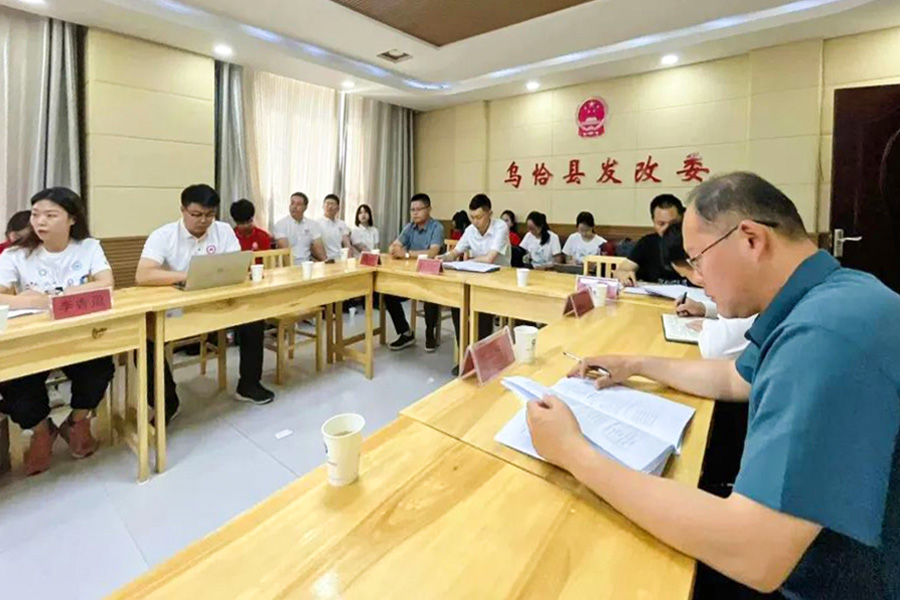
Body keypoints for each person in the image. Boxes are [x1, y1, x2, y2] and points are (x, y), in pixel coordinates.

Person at [527, 172, 900, 600]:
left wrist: (573, 452)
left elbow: (754, 553)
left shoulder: (823, 335)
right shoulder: (832, 294)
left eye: (698, 259)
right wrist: (635, 364)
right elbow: (735, 377)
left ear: (751, 240)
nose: (697, 279)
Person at [0, 188, 114, 475]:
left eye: (51, 215)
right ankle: (42, 431)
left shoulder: (88, 247)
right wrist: (30, 301)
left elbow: (106, 283)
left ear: (72, 219)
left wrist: (62, 294)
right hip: (32, 339)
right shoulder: (15, 254)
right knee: (14, 384)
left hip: (76, 335)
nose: (40, 222)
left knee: (100, 368)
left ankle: (77, 421)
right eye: (36, 214)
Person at [136, 184, 275, 422]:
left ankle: (249, 385)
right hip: (177, 308)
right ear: (183, 210)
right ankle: (166, 402)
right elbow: (143, 275)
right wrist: (187, 276)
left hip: (219, 302)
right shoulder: (163, 235)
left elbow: (236, 265)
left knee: (253, 317)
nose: (203, 221)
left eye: (209, 215)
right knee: (144, 341)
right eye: (196, 214)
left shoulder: (223, 230)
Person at [659, 223, 755, 360]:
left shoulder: (747, 288)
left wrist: (707, 326)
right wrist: (703, 308)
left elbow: (717, 349)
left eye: (696, 263)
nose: (698, 279)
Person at [442, 194, 510, 374]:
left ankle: (482, 359)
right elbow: (455, 252)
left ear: (490, 214)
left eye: (479, 217)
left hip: (500, 278)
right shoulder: (470, 230)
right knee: (457, 304)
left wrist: (467, 261)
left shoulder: (500, 227)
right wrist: (442, 258)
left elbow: (489, 259)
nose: (475, 221)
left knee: (481, 307)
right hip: (476, 276)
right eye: (472, 217)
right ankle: (467, 355)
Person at [385, 193, 445, 352]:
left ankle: (430, 333)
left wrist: (406, 254)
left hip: (430, 276)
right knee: (388, 293)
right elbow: (394, 246)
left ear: (429, 209)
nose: (415, 213)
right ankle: (405, 332)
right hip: (410, 276)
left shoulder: (437, 228)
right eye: (412, 210)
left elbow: (432, 253)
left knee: (430, 295)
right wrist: (394, 249)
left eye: (419, 209)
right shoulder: (409, 227)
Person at [615, 194, 686, 285]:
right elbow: (621, 271)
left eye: (674, 224)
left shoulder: (694, 242)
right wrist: (624, 275)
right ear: (653, 221)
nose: (667, 229)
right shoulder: (647, 243)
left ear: (683, 219)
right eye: (661, 224)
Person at [273, 192, 326, 264]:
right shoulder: (281, 224)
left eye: (298, 204)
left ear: (305, 207)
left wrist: (326, 262)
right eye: (292, 203)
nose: (294, 207)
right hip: (287, 264)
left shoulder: (313, 224)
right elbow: (285, 251)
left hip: (307, 263)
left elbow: (318, 248)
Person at [318, 194, 352, 260]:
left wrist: (350, 259)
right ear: (323, 206)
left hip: (341, 259)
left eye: (332, 204)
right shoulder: (317, 223)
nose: (330, 207)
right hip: (326, 260)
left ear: (338, 208)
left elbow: (347, 244)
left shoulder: (342, 224)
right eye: (327, 204)